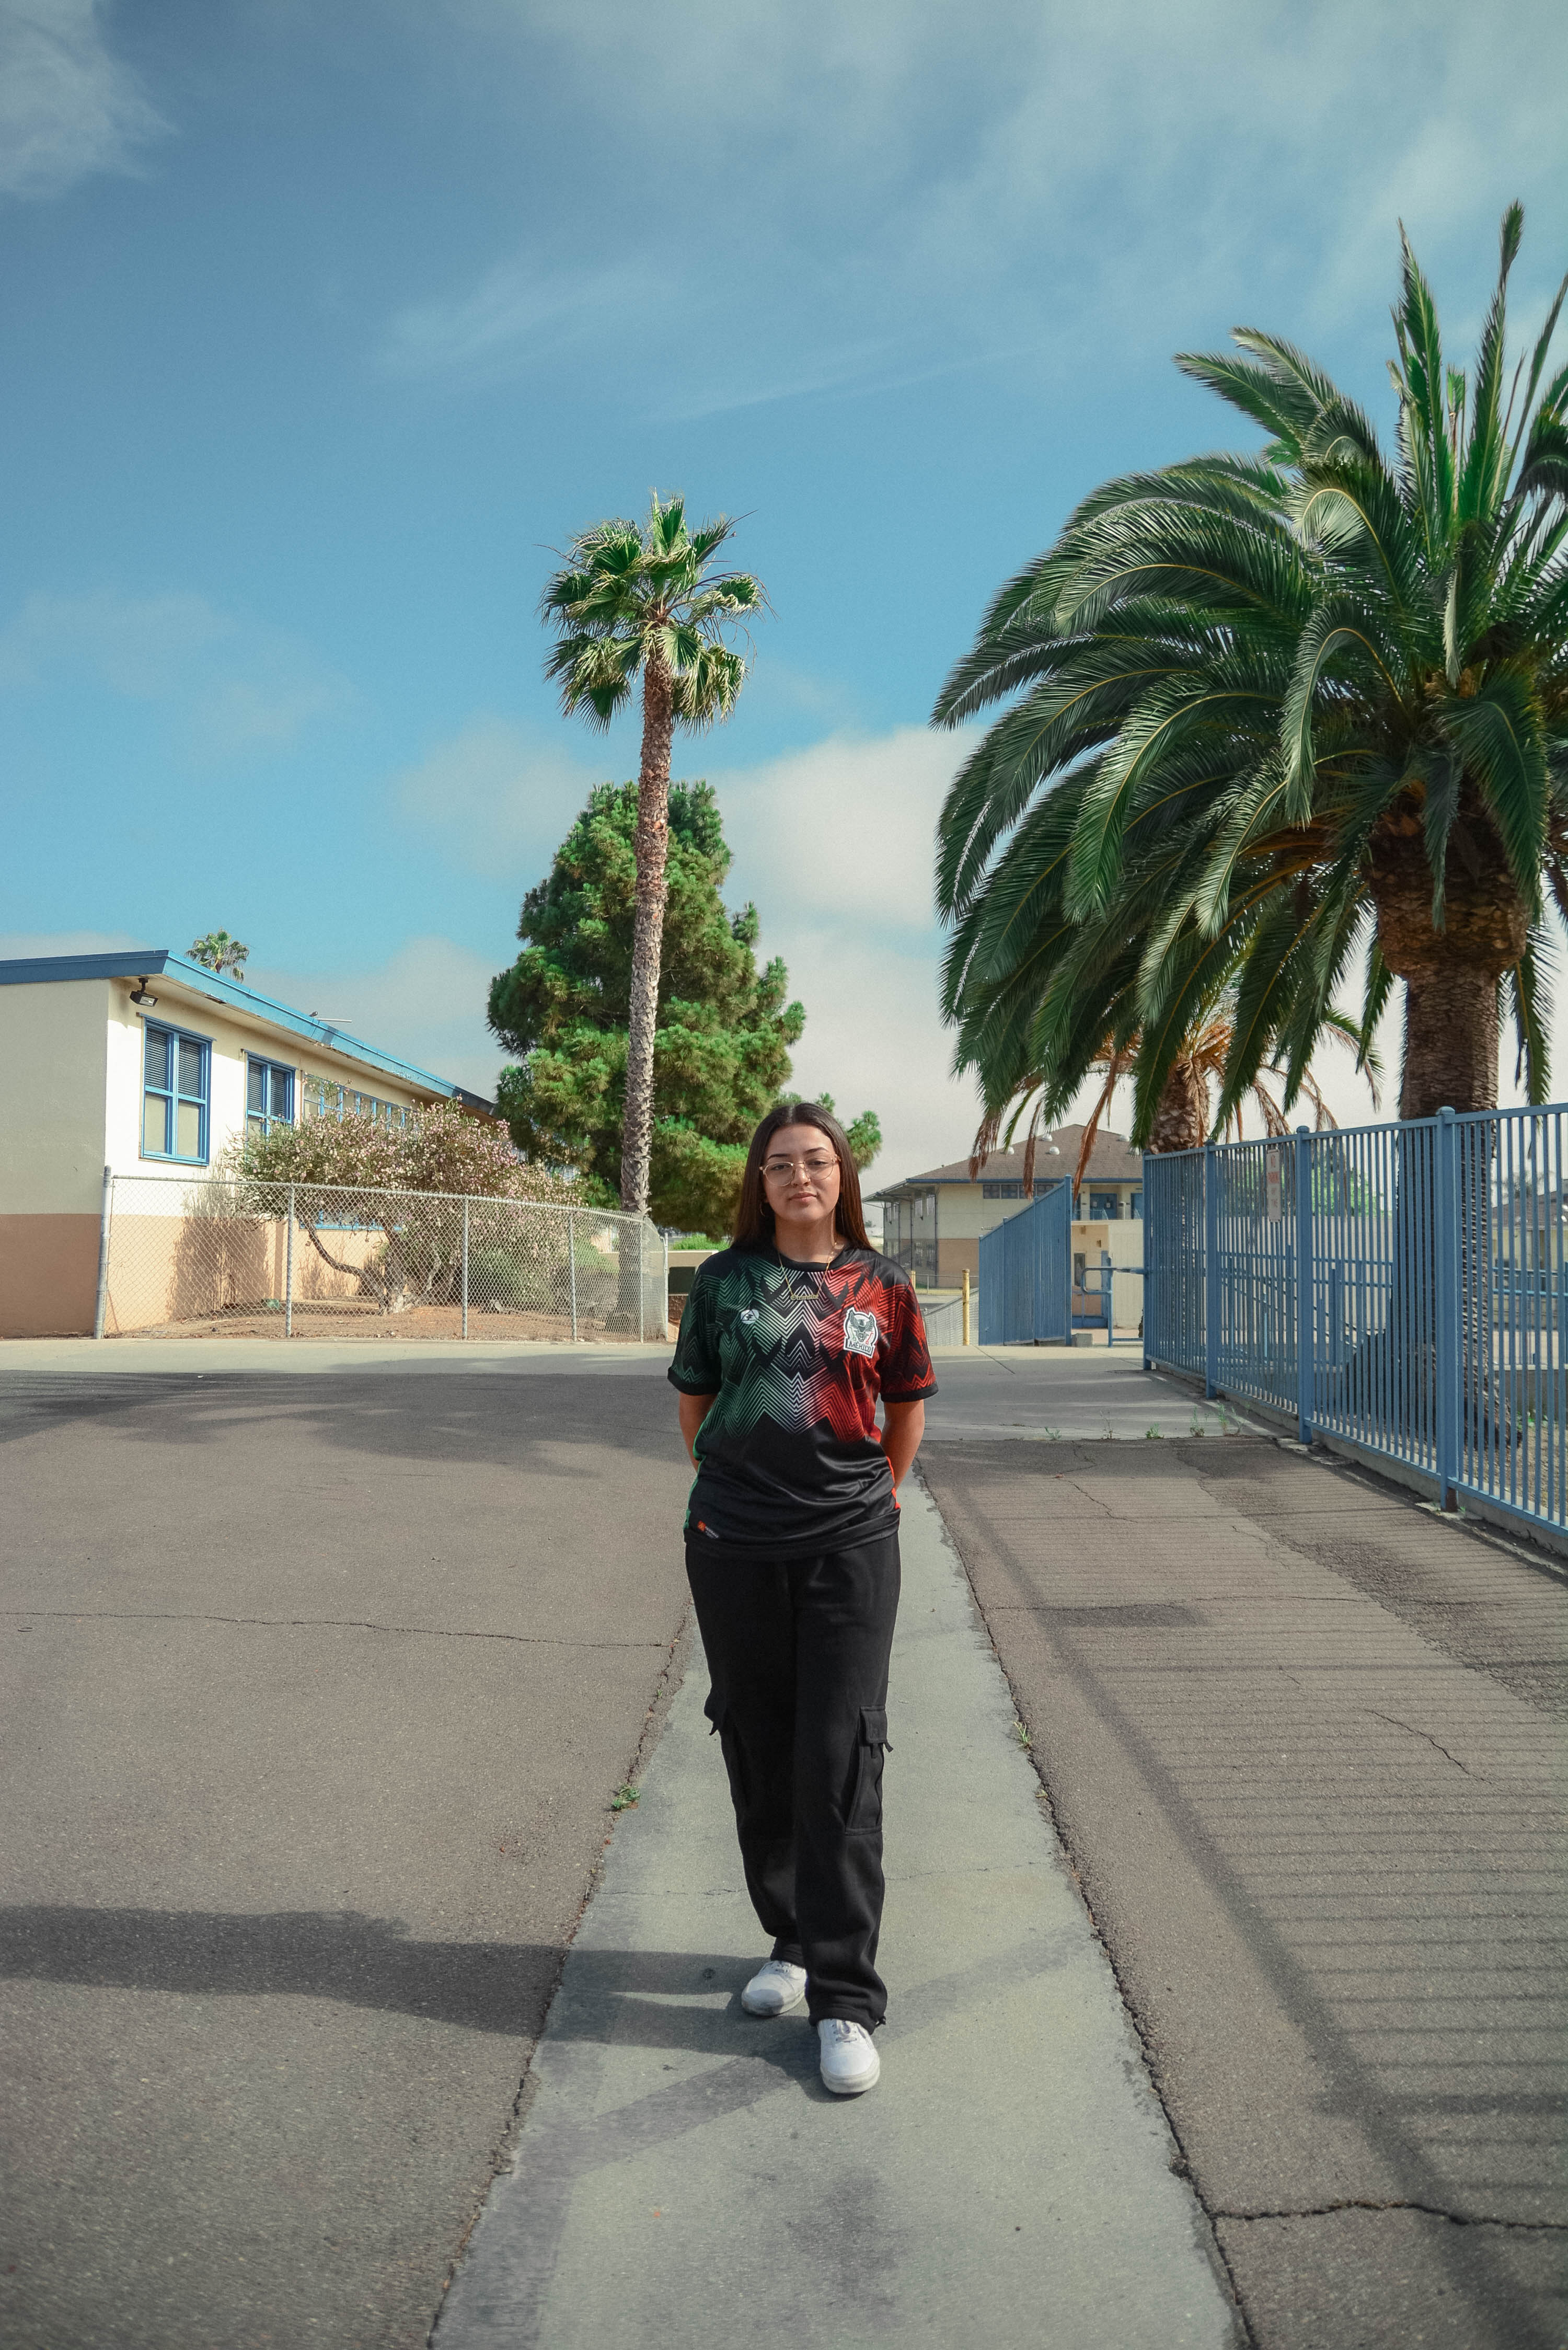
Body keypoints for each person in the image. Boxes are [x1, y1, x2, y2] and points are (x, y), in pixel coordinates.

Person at [667, 1101, 935, 2096]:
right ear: (760, 1181)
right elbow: (695, 1404)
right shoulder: (724, 1282)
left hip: (850, 1548)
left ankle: (846, 2000)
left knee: (838, 1757)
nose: (799, 1178)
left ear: (843, 1175)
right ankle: (789, 1937)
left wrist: (870, 1496)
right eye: (780, 1164)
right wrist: (739, 1492)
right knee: (757, 1741)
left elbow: (904, 1407)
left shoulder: (886, 1284)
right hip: (733, 1546)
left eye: (816, 1162)